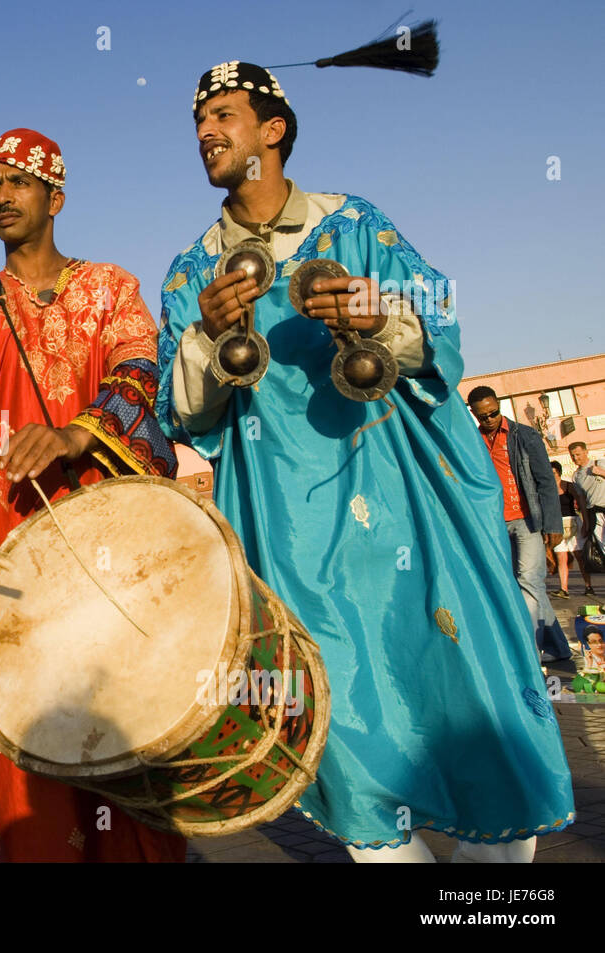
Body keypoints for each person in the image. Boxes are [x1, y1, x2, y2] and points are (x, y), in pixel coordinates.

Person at [156, 62, 575, 862]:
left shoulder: (356, 227)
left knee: (475, 707)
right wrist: (210, 336)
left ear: (274, 129)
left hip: (411, 511)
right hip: (291, 542)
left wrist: (374, 312)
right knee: (346, 743)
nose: (207, 132)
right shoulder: (191, 273)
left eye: (225, 116)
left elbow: (442, 325)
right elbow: (183, 412)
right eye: (199, 122)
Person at [0, 128, 183, 862]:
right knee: (26, 782)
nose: (1, 196)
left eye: (17, 182)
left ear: (55, 196)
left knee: (135, 749)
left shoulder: (110, 288)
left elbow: (137, 374)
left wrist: (76, 435)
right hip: (6, 564)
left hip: (108, 556)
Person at [467, 387, 573, 661]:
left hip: (527, 520)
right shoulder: (472, 440)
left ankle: (530, 650)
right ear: (475, 414)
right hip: (495, 524)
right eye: (483, 415)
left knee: (529, 580)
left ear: (499, 406)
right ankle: (559, 648)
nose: (489, 419)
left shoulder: (524, 436)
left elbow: (546, 482)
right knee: (527, 585)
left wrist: (553, 524)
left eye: (493, 412)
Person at [570, 441, 605, 595]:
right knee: (603, 548)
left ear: (586, 452)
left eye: (578, 454)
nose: (575, 457)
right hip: (594, 512)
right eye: (572, 455)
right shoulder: (577, 476)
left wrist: (602, 472)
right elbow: (582, 501)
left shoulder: (600, 463)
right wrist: (585, 522)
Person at [551, 460, 588, 598]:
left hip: (573, 522)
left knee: (579, 556)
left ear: (559, 472)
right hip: (557, 524)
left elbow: (581, 503)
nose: (551, 475)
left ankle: (588, 585)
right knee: (561, 557)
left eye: (553, 472)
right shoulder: (547, 489)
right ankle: (564, 589)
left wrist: (586, 522)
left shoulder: (569, 486)